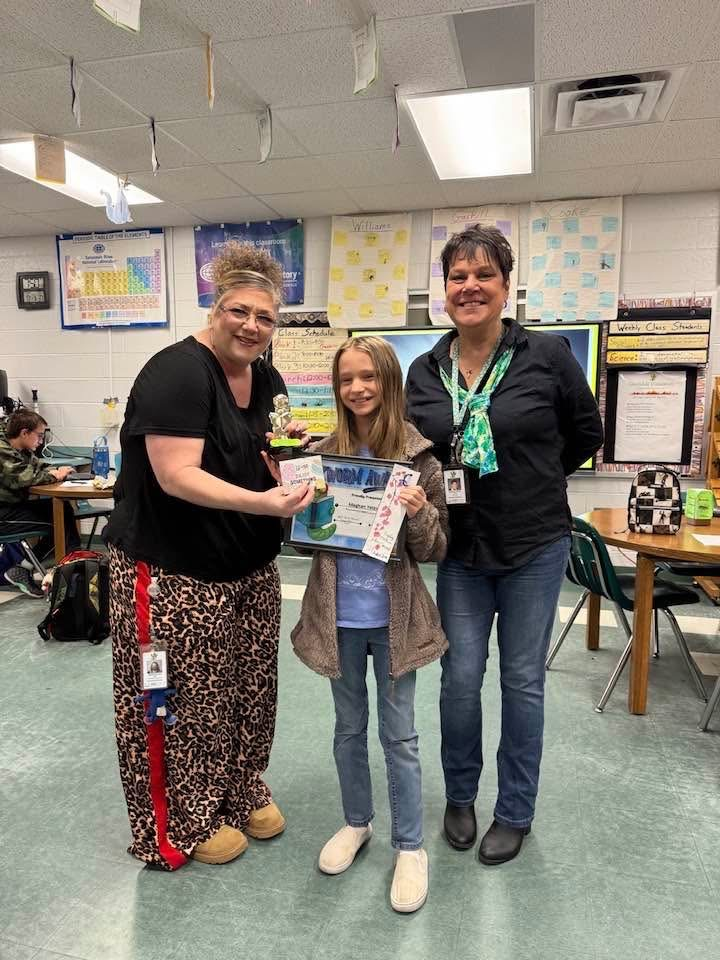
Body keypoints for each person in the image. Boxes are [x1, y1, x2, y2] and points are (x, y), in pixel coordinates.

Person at [104, 242, 315, 870]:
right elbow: (177, 476)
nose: (252, 326)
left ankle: (238, 788)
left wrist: (290, 464)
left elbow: (265, 448)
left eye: (265, 317)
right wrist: (270, 503)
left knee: (248, 688)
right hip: (171, 572)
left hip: (247, 569)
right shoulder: (177, 372)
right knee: (175, 695)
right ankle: (178, 822)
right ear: (214, 306)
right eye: (239, 311)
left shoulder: (267, 375)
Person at [406, 225, 603, 866]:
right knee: (460, 680)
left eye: (483, 275)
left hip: (533, 545)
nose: (470, 287)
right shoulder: (426, 369)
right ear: (445, 290)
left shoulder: (546, 357)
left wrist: (535, 480)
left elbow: (584, 434)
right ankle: (460, 796)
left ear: (505, 286)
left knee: (522, 682)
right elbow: (417, 450)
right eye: (458, 277)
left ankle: (514, 810)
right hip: (460, 549)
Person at [290, 336, 448, 913]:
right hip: (338, 618)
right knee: (347, 728)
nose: (356, 388)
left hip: (394, 621)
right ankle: (357, 822)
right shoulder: (322, 454)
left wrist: (419, 512)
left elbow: (434, 548)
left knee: (400, 735)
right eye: (346, 379)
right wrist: (303, 506)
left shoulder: (420, 459)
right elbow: (309, 543)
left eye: (368, 377)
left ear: (389, 381)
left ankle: (410, 845)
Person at [0, 410, 77, 597]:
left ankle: (26, 567)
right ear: (24, 433)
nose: (41, 441)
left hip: (13, 508)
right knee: (61, 522)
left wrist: (56, 470)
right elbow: (24, 477)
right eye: (40, 436)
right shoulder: (2, 450)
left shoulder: (20, 447)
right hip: (3, 514)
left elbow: (36, 466)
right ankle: (67, 578)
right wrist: (53, 475)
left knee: (63, 512)